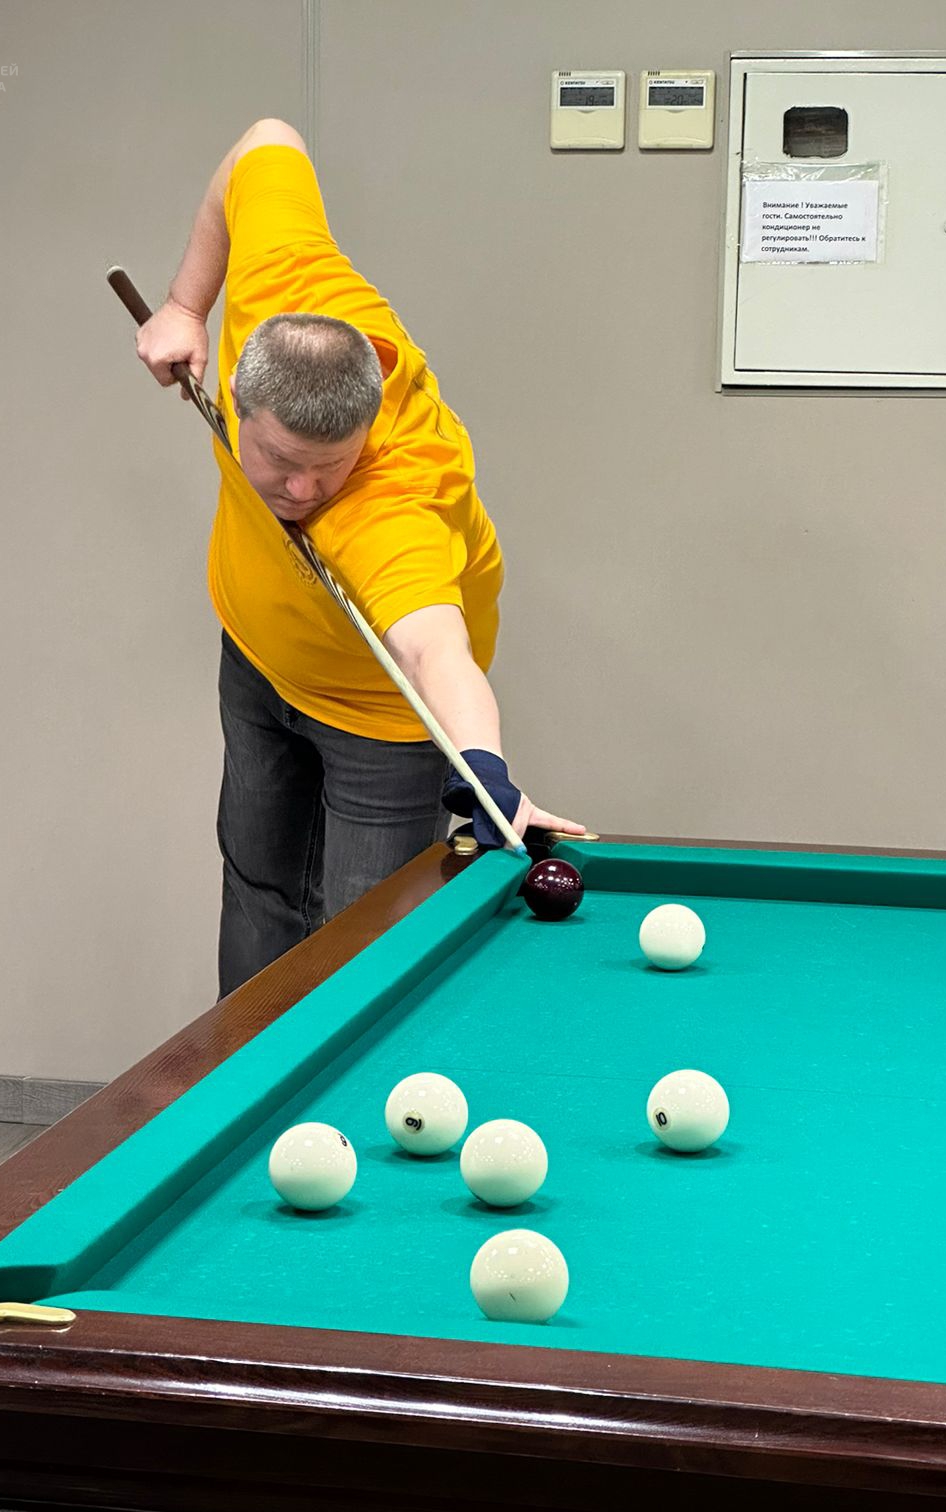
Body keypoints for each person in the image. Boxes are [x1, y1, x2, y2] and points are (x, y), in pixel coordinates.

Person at [136, 118, 585, 995]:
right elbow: (265, 140)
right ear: (240, 393)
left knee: (363, 944)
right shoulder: (283, 281)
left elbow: (434, 647)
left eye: (329, 467)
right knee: (258, 892)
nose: (302, 490)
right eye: (279, 461)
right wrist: (187, 305)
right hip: (259, 659)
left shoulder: (395, 502)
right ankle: (244, 1077)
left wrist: (485, 773)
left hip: (379, 714)